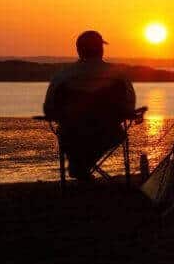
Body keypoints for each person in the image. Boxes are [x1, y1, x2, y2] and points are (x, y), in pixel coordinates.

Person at [43, 30, 136, 180]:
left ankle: (80, 165)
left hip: (72, 133)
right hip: (108, 132)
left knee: (72, 140)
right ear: (101, 49)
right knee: (116, 135)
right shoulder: (117, 75)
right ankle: (82, 166)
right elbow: (129, 104)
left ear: (78, 50)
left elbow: (49, 106)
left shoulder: (64, 75)